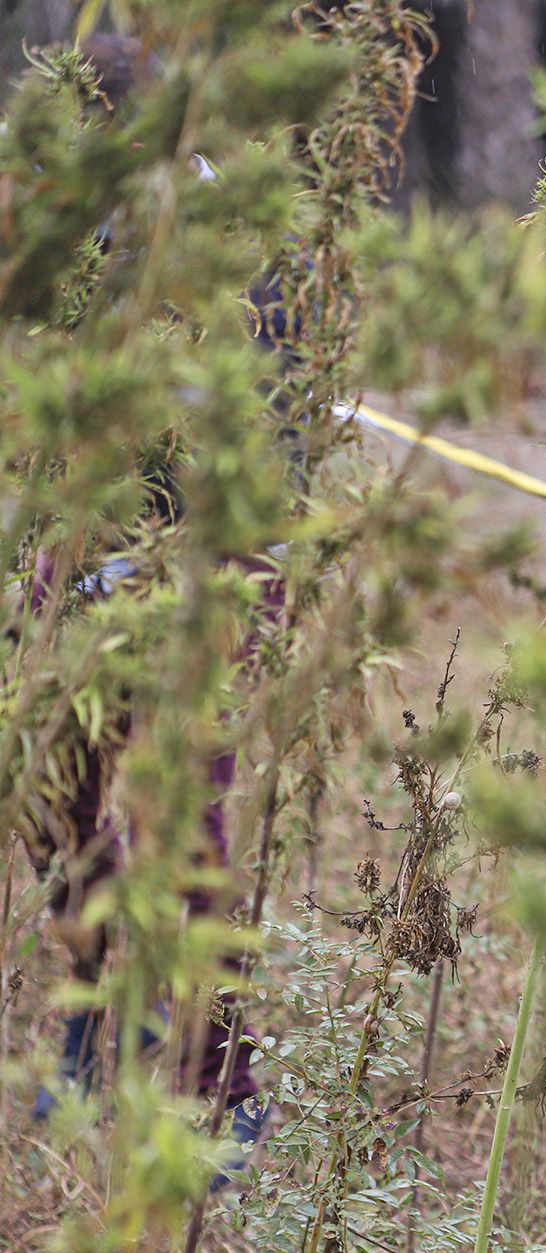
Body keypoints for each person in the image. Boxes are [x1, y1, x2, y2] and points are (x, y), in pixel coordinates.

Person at [12, 33, 269, 1177]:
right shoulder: (51, 245)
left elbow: (250, 432)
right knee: (57, 810)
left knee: (187, 832)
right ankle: (83, 1023)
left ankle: (222, 1088)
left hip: (190, 577)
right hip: (67, 576)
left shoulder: (210, 249)